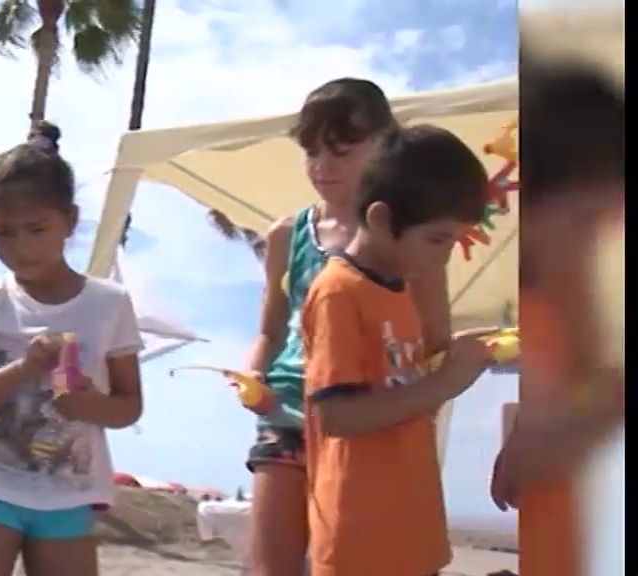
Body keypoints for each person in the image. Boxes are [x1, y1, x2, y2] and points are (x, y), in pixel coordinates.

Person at [241, 79, 454, 576]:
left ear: (386, 143)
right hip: (289, 409)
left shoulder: (408, 235)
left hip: (368, 418)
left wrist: (412, 412)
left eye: (341, 149)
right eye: (312, 151)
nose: (323, 165)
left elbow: (435, 338)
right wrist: (252, 375)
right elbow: (271, 329)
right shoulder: (284, 234)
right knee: (271, 565)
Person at [0, 126, 145, 576]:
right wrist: (21, 370)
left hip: (70, 495)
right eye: (3, 233)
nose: (20, 247)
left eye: (37, 229)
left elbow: (130, 406)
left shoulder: (108, 303)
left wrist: (86, 403)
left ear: (69, 221)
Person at [300, 125, 496, 576]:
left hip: (409, 527)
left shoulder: (400, 289)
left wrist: (462, 356)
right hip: (362, 537)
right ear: (382, 219)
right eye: (438, 239)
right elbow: (338, 415)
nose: (444, 257)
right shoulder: (338, 291)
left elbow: (399, 385)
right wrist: (446, 382)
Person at [489, 54, 625, 576]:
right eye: (589, 219)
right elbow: (532, 453)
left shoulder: (557, 304)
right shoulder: (543, 310)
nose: (604, 232)